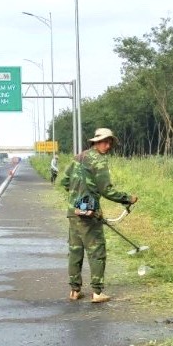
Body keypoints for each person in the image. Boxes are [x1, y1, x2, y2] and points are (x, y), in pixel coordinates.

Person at [60, 128, 138, 303]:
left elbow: (64, 181)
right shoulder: (100, 161)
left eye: (110, 142)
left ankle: (74, 290)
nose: (108, 145)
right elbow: (106, 190)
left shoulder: (78, 157)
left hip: (73, 211)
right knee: (97, 251)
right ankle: (97, 293)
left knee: (75, 251)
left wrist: (77, 195)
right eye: (105, 141)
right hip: (88, 213)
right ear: (96, 142)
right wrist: (127, 199)